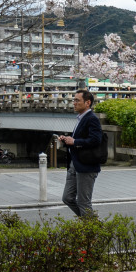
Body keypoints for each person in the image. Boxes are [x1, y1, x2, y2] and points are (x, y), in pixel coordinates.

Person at [59, 89, 103, 218]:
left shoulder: (92, 119)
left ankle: (92, 231)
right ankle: (91, 224)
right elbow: (79, 140)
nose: (74, 103)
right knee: (67, 198)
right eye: (74, 100)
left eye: (77, 100)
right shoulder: (80, 118)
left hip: (86, 165)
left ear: (87, 102)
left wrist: (75, 141)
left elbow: (96, 140)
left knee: (83, 202)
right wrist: (67, 140)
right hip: (75, 163)